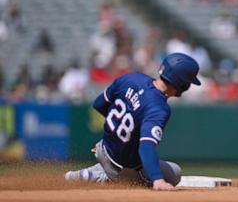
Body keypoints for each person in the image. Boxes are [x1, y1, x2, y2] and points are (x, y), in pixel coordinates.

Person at [65, 53, 201, 191]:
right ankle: (99, 176)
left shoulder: (133, 77)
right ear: (182, 84)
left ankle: (101, 169)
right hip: (121, 167)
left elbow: (99, 104)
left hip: (103, 148)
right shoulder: (159, 108)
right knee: (175, 174)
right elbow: (146, 146)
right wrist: (158, 180)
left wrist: (115, 135)